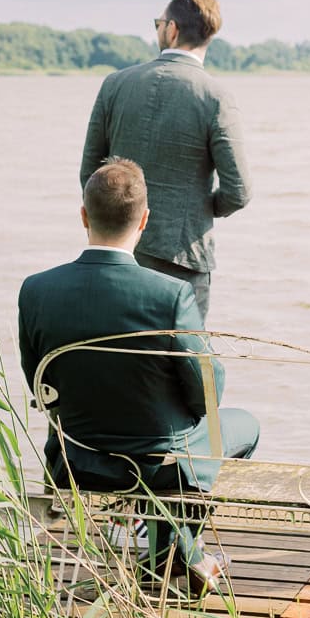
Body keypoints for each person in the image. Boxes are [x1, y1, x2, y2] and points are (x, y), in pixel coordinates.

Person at [20, 158, 259, 509]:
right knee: (246, 426)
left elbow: (40, 386)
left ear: (84, 216)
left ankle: (149, 536)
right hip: (158, 468)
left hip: (76, 460)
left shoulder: (36, 290)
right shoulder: (171, 295)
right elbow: (208, 393)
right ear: (145, 219)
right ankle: (175, 548)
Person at [79, 0, 251, 321]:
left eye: (159, 23)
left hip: (117, 252)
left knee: (119, 355)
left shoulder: (115, 84)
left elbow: (90, 174)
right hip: (183, 258)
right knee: (183, 362)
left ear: (171, 29)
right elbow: (239, 192)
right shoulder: (216, 97)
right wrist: (198, 208)